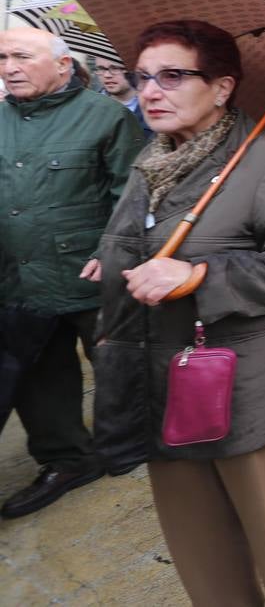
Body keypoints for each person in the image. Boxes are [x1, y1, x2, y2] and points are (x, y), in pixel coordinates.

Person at [90, 20, 265, 605]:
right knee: (204, 559)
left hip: (254, 397)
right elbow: (144, 236)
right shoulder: (151, 162)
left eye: (173, 76)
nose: (151, 90)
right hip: (161, 388)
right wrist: (113, 258)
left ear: (222, 87)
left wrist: (199, 275)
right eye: (143, 77)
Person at [0, 27, 143, 519]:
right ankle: (67, 460)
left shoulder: (104, 117)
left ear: (63, 65)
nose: (9, 67)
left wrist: (116, 251)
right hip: (18, 278)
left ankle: (124, 442)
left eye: (21, 56)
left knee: (115, 365)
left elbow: (131, 193)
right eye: (2, 57)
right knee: (39, 378)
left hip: (89, 272)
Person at [94, 54, 150, 135]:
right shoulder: (90, 107)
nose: (107, 75)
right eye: (101, 69)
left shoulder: (151, 105)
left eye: (115, 68)